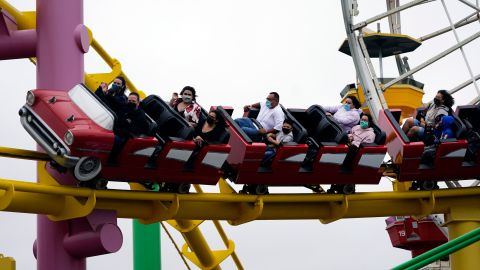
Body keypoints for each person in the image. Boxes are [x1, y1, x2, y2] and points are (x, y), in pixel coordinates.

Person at [108, 92, 151, 165]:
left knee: (116, 139)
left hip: (126, 137)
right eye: (129, 101)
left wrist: (118, 129)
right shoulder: (123, 108)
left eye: (133, 101)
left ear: (138, 103)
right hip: (114, 130)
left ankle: (111, 160)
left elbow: (134, 131)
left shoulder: (141, 116)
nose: (130, 103)